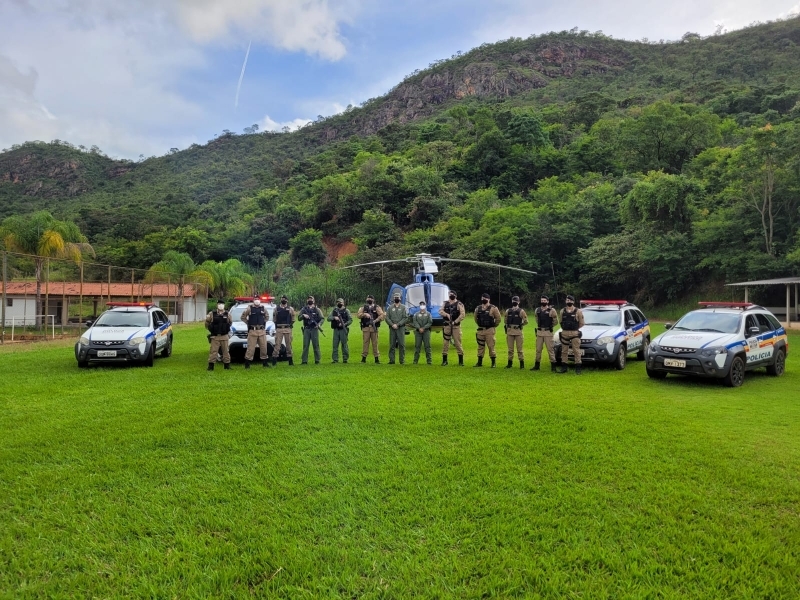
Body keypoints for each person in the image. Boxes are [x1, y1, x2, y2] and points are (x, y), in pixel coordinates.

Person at [558, 294, 585, 374]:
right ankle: (564, 367)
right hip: (565, 333)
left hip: (575, 333)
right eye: (567, 300)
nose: (568, 301)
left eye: (570, 300)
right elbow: (561, 321)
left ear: (573, 301)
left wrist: (575, 328)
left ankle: (578, 368)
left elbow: (582, 323)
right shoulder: (562, 311)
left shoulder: (578, 311)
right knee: (564, 351)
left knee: (576, 350)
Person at [474, 292, 502, 367]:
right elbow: (475, 319)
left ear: (489, 299)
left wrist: (493, 326)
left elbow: (498, 319)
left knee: (491, 346)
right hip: (480, 330)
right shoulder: (478, 308)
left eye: (485, 299)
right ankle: (479, 362)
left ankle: (493, 363)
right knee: (480, 346)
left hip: (490, 330)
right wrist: (480, 324)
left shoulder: (493, 308)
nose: (484, 300)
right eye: (482, 298)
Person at [532, 295, 559, 372]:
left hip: (548, 332)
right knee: (538, 349)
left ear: (548, 301)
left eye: (544, 300)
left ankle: (553, 366)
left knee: (550, 349)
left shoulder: (552, 310)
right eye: (542, 300)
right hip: (540, 332)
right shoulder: (537, 310)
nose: (543, 302)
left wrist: (550, 326)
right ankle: (537, 365)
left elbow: (555, 321)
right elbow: (537, 319)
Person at [242, 296, 270, 369]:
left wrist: (263, 322)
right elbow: (243, 317)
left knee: (264, 347)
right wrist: (248, 323)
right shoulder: (249, 308)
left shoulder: (263, 308)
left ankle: (265, 363)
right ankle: (247, 363)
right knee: (250, 348)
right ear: (253, 300)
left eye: (258, 299)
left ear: (260, 300)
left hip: (261, 331)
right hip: (252, 331)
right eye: (255, 299)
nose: (257, 301)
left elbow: (267, 316)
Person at [357, 294, 384, 363]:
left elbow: (382, 315)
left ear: (373, 300)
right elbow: (358, 315)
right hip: (366, 328)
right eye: (368, 298)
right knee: (365, 343)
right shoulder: (363, 308)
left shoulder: (377, 307)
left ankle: (376, 358)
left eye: (370, 299)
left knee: (375, 343)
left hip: (374, 328)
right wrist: (364, 314)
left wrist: (376, 320)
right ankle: (363, 358)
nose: (369, 300)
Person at [205, 300, 232, 370]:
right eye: (219, 304)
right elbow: (207, 323)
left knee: (226, 351)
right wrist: (212, 329)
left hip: (224, 336)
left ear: (224, 305)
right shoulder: (212, 314)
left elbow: (230, 323)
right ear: (217, 305)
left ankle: (227, 366)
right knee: (213, 351)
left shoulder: (227, 314)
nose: (221, 305)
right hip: (215, 336)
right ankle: (211, 366)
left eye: (222, 304)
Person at [441, 290, 465, 366]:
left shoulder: (459, 304)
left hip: (456, 326)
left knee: (457, 343)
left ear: (455, 295)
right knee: (445, 343)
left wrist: (455, 321)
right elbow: (440, 311)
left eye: (452, 294)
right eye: (449, 294)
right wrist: (446, 314)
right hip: (447, 325)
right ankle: (445, 360)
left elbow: (462, 314)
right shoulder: (445, 303)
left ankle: (461, 361)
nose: (450, 296)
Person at [298, 295, 325, 365]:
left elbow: (322, 318)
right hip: (306, 329)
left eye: (311, 299)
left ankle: (317, 360)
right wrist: (303, 316)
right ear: (307, 301)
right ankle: (304, 360)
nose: (309, 300)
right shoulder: (304, 309)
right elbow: (299, 318)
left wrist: (319, 324)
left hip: (314, 329)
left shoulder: (317, 310)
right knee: (305, 345)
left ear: (314, 301)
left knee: (316, 345)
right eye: (308, 299)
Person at [504, 295, 528, 369]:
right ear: (512, 301)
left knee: (519, 349)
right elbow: (505, 321)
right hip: (510, 331)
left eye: (516, 301)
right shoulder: (508, 311)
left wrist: (521, 325)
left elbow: (526, 321)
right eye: (513, 301)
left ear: (519, 302)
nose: (515, 302)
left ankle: (522, 364)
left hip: (518, 332)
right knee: (510, 349)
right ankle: (509, 363)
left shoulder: (521, 311)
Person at [384, 291, 408, 365]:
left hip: (400, 328)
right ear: (393, 299)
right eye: (395, 298)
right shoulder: (390, 308)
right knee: (392, 345)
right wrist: (392, 324)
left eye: (397, 298)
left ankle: (402, 360)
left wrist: (398, 324)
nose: (396, 299)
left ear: (400, 299)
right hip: (392, 328)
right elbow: (387, 318)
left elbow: (405, 318)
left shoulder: (403, 307)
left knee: (401, 344)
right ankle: (392, 360)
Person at [272, 294, 295, 366]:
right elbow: (274, 318)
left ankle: (290, 361)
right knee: (277, 345)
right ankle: (274, 360)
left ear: (287, 300)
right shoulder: (276, 308)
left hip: (287, 328)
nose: (283, 300)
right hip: (279, 329)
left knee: (288, 345)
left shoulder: (290, 309)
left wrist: (289, 325)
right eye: (282, 298)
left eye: (285, 299)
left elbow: (293, 319)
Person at [327, 298, 353, 363]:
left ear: (343, 303)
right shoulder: (334, 310)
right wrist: (334, 318)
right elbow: (328, 318)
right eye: (338, 302)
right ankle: (335, 359)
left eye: (340, 302)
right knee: (335, 345)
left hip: (343, 330)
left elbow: (350, 320)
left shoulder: (346, 311)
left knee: (344, 344)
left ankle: (345, 359)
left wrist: (344, 324)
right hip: (336, 330)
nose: (339, 303)